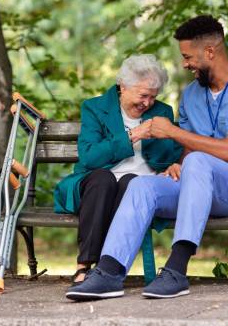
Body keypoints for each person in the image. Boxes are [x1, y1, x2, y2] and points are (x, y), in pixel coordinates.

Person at [65, 15, 228, 301]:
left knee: (199, 161)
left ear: (210, 52)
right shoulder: (191, 95)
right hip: (200, 187)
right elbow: (188, 150)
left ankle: (176, 269)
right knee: (142, 185)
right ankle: (109, 272)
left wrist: (174, 135)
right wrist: (178, 164)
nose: (185, 63)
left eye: (188, 56)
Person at [54, 54, 182, 285]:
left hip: (139, 186)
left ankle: (107, 267)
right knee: (104, 179)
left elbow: (174, 150)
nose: (148, 103)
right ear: (123, 87)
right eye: (143, 95)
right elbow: (90, 157)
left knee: (131, 182)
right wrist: (134, 135)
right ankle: (84, 265)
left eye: (153, 97)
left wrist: (176, 163)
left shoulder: (162, 112)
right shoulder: (95, 108)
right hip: (94, 184)